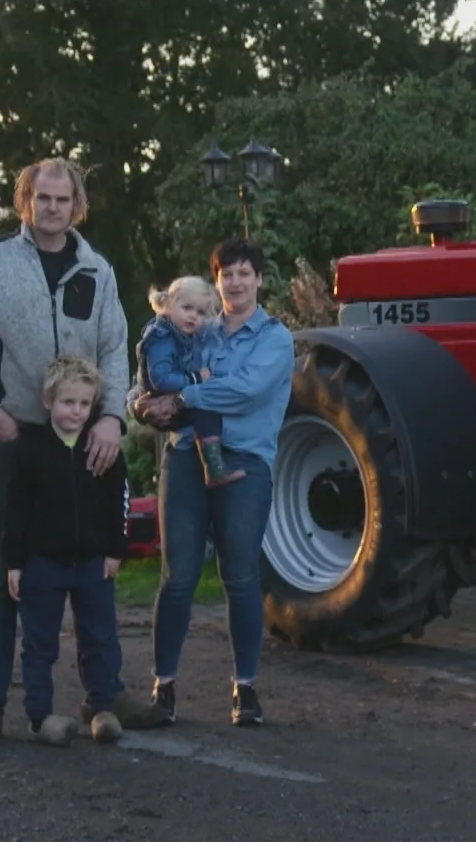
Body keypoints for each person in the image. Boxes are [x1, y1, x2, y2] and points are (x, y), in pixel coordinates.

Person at [0, 156, 168, 750]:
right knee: (1, 575)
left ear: (77, 205)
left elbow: (116, 347)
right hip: (20, 441)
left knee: (94, 576)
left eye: (63, 200)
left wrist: (113, 417)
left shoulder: (98, 268)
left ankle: (104, 694)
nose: (53, 209)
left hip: (88, 444)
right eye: (43, 198)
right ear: (26, 201)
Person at [131, 237, 293, 728]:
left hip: (245, 462)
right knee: (176, 575)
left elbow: (245, 391)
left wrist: (181, 401)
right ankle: (163, 688)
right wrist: (140, 404)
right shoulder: (195, 324)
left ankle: (245, 689)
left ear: (259, 280)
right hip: (184, 458)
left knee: (240, 575)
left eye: (245, 273)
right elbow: (151, 377)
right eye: (227, 274)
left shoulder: (275, 338)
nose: (235, 283)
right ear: (217, 280)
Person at [4, 356, 133, 747]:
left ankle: (101, 707)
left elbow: (118, 503)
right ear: (48, 402)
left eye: (83, 404)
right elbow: (16, 509)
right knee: (40, 642)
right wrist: (15, 562)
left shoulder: (104, 450)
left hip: (93, 561)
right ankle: (40, 716)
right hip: (42, 562)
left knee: (100, 637)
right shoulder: (29, 450)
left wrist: (115, 550)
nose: (76, 411)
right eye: (67, 402)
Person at [135, 275, 245, 486]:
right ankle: (214, 467)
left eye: (200, 312)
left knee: (206, 409)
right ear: (167, 305)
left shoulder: (182, 334)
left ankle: (213, 463)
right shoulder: (161, 337)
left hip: (171, 399)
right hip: (161, 403)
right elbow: (160, 379)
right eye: (187, 308)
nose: (193, 316)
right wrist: (194, 378)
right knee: (205, 409)